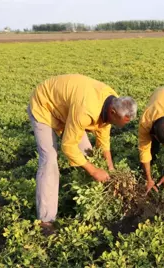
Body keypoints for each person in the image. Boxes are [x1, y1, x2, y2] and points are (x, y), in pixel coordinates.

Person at [28, 74, 137, 232]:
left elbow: (103, 138)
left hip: (67, 110)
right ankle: (46, 221)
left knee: (88, 154)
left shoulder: (112, 100)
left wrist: (110, 168)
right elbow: (68, 146)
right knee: (49, 159)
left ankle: (88, 195)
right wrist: (93, 170)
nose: (120, 127)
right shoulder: (86, 110)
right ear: (113, 112)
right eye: (119, 123)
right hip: (44, 105)